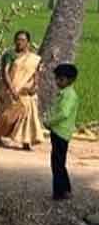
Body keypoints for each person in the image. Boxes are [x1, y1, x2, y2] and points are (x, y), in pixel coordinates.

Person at [0, 30, 45, 150]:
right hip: (10, 90)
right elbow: (5, 72)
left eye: (22, 40)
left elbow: (36, 74)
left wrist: (34, 86)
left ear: (28, 42)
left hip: (25, 91)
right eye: (17, 39)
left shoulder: (34, 58)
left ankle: (26, 141)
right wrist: (12, 89)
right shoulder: (10, 54)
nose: (19, 42)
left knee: (28, 113)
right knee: (8, 116)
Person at [44, 63, 79, 201]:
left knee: (57, 163)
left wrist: (49, 122)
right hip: (58, 131)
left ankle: (59, 193)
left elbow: (64, 113)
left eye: (61, 79)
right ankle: (65, 189)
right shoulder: (65, 93)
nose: (57, 82)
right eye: (57, 79)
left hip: (61, 133)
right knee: (59, 162)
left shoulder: (69, 95)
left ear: (69, 80)